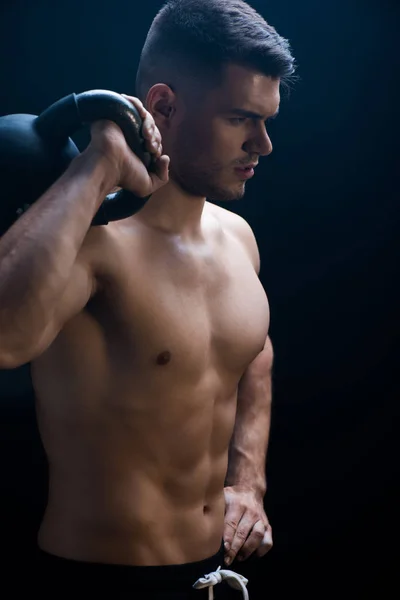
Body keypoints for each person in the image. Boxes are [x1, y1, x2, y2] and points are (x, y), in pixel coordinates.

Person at [0, 0, 295, 597]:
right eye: (241, 119)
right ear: (163, 105)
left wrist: (249, 479)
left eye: (267, 121)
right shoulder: (89, 245)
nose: (263, 145)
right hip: (94, 580)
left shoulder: (239, 238)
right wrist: (99, 164)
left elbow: (254, 352)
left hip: (214, 578)